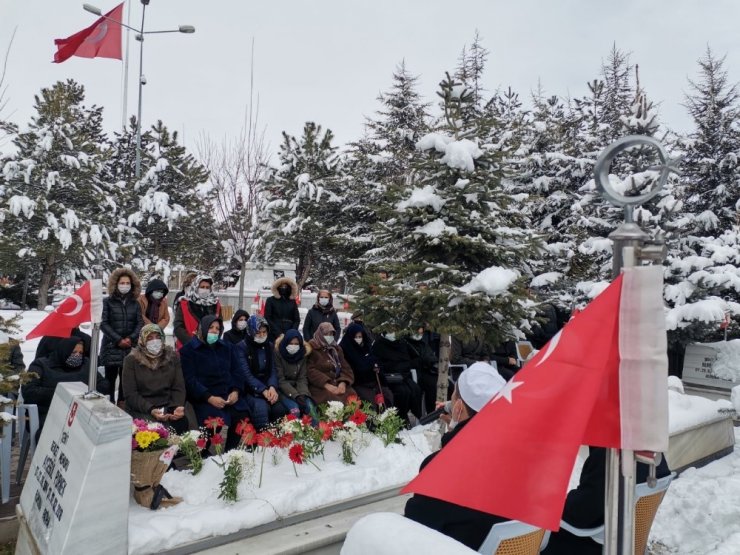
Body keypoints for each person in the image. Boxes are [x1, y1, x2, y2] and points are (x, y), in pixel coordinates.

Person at [404, 362, 507, 549]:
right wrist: (455, 430)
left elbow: (415, 523)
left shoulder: (441, 468)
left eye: (454, 394)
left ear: (458, 407)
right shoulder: (519, 457)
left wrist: (453, 436)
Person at [542, 447, 671, 555]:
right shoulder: (653, 452)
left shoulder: (609, 457)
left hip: (596, 544)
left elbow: (582, 516)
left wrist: (552, 507)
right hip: (628, 540)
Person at [180, 315, 251, 451]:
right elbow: (189, 379)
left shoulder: (227, 347)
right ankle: (203, 451)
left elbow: (237, 371)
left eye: (217, 328)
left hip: (227, 393)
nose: (214, 331)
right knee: (213, 420)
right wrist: (209, 397)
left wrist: (236, 390)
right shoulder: (189, 350)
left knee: (242, 415)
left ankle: (230, 450)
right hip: (204, 396)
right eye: (211, 327)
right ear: (202, 328)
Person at [23, 338, 110, 438]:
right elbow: (29, 391)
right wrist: (62, 393)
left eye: (80, 353)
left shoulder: (85, 364)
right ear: (64, 351)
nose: (77, 355)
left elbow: (104, 384)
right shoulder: (40, 365)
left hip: (81, 412)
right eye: (73, 352)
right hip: (49, 412)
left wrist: (86, 392)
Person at [122, 324, 188, 434]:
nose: (155, 341)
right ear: (142, 340)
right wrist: (150, 409)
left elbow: (178, 386)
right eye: (150, 338)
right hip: (142, 408)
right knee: (154, 431)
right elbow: (130, 394)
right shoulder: (131, 360)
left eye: (158, 337)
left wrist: (176, 406)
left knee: (182, 424)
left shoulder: (172, 357)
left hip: (168, 405)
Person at [100, 268, 144, 406]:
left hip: (130, 348)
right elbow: (103, 322)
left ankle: (123, 405)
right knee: (109, 382)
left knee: (126, 381)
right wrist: (118, 339)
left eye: (127, 283)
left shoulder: (135, 303)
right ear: (116, 283)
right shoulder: (107, 302)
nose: (125, 285)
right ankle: (109, 405)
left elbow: (140, 323)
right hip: (111, 347)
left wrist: (130, 338)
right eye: (122, 282)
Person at [239, 315, 292, 429]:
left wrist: (272, 386)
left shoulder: (269, 346)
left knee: (280, 409)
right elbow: (246, 375)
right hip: (250, 390)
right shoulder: (242, 347)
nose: (262, 335)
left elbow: (273, 369)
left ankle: (278, 441)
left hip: (268, 387)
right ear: (251, 331)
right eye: (258, 332)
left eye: (264, 332)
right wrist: (263, 390)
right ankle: (260, 441)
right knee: (262, 409)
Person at [371, 332, 423, 425]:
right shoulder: (379, 344)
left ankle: (411, 416)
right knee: (403, 392)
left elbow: (408, 360)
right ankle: (399, 417)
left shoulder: (401, 343)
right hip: (388, 378)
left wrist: (402, 372)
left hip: (403, 375)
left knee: (415, 389)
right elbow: (378, 363)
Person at [339, 322, 393, 408]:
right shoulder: (345, 349)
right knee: (370, 402)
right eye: (356, 337)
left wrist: (377, 368)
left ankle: (386, 419)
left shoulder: (366, 347)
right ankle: (372, 421)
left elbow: (376, 361)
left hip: (374, 382)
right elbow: (353, 369)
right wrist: (368, 366)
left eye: (360, 337)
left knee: (387, 396)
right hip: (358, 384)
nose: (358, 339)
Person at [306, 322, 357, 404]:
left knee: (352, 396)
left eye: (331, 334)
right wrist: (326, 384)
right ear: (320, 334)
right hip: (320, 385)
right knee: (333, 400)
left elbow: (345, 368)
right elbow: (310, 370)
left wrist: (343, 383)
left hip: (337, 382)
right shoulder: (312, 347)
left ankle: (353, 417)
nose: (329, 337)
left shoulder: (336, 349)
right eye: (326, 334)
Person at [274, 329, 318, 419]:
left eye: (296, 344)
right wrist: (295, 395)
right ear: (286, 342)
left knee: (311, 409)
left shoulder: (302, 354)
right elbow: (281, 380)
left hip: (299, 389)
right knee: (295, 411)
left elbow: (302, 377)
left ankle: (315, 432)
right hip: (283, 391)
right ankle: (293, 432)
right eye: (291, 343)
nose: (293, 346)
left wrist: (303, 394)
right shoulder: (278, 354)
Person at [173, 274, 222, 350]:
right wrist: (192, 343)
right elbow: (178, 326)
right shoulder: (185, 304)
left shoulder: (215, 304)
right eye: (202, 287)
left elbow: (220, 325)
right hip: (189, 347)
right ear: (196, 287)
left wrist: (213, 340)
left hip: (210, 347)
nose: (205, 289)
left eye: (207, 287)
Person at [406, 326, 439, 414]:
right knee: (432, 386)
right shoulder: (405, 344)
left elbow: (431, 357)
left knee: (448, 384)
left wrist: (431, 362)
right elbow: (408, 362)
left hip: (427, 371)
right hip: (415, 374)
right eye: (418, 332)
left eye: (421, 333)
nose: (420, 334)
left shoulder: (423, 344)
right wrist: (422, 361)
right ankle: (432, 414)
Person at [264, 277, 300, 342]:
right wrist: (278, 333)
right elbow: (267, 317)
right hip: (274, 334)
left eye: (285, 286)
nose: (283, 288)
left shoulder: (292, 301)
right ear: (277, 287)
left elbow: (296, 319)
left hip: (290, 335)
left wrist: (292, 332)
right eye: (281, 286)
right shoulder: (270, 300)